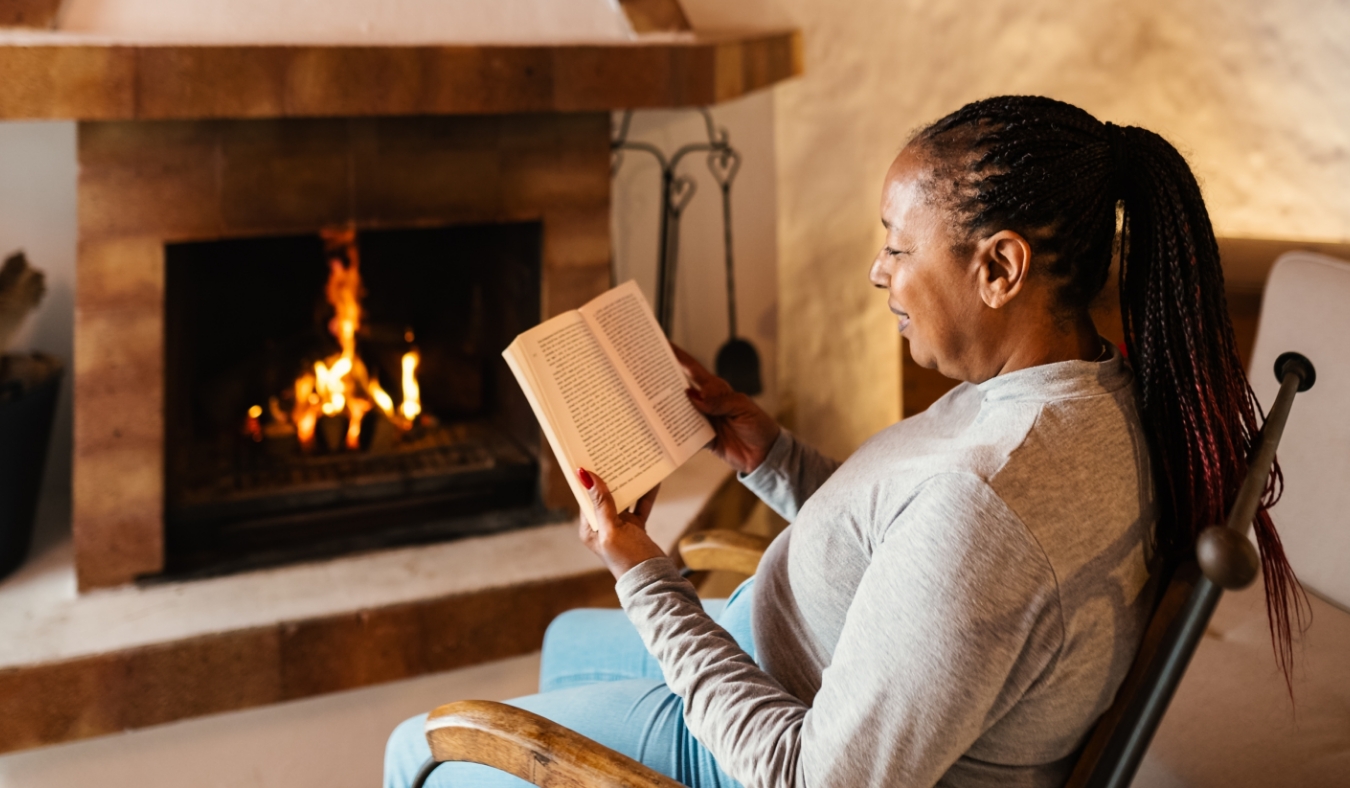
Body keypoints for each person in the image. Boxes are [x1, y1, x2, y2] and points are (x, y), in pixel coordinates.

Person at [384, 95, 1301, 788]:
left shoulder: (992, 509)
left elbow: (808, 776)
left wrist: (641, 568)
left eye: (899, 247)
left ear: (1001, 267)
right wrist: (772, 458)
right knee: (563, 640)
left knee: (414, 746)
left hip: (752, 742)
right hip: (783, 657)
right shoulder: (1079, 395)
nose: (879, 272)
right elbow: (908, 543)